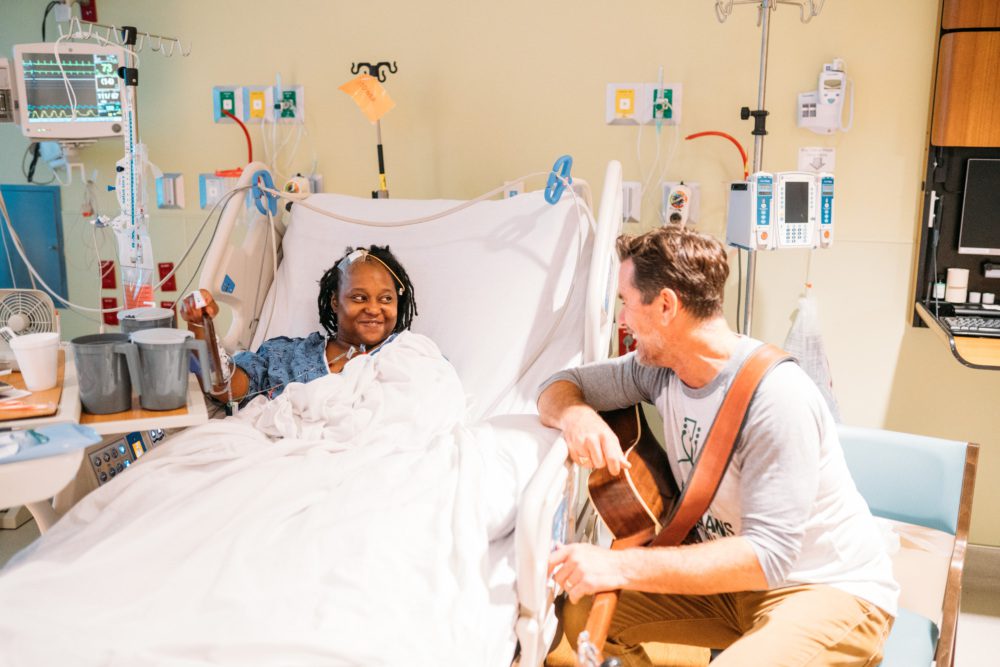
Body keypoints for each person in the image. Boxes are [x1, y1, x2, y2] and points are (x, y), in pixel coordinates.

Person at [538, 226, 898, 667]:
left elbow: (768, 556)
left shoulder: (777, 399)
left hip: (827, 589)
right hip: (736, 589)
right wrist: (577, 415)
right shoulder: (660, 370)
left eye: (626, 304)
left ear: (666, 305)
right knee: (582, 613)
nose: (623, 321)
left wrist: (619, 566)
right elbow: (560, 386)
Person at [180, 244, 418, 407]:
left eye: (386, 299)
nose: (374, 309)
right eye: (359, 297)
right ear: (335, 302)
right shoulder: (286, 355)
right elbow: (224, 388)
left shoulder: (409, 355)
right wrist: (200, 326)